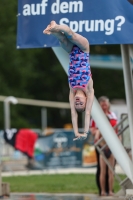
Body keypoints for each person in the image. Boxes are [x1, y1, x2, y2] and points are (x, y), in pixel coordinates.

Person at [43, 21, 94, 141]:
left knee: (62, 39)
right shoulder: (89, 89)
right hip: (83, 49)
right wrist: (85, 132)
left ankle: (53, 29)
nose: (77, 102)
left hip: (71, 52)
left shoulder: (72, 90)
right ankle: (56, 27)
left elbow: (73, 114)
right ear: (86, 100)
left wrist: (76, 132)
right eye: (80, 103)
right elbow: (87, 113)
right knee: (71, 35)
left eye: (76, 104)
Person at [90, 96, 118, 196]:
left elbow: (117, 130)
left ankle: (110, 190)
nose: (104, 106)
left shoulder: (112, 116)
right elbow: (95, 133)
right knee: (102, 170)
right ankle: (102, 190)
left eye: (105, 104)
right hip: (102, 147)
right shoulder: (97, 123)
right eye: (102, 104)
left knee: (111, 170)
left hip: (111, 146)